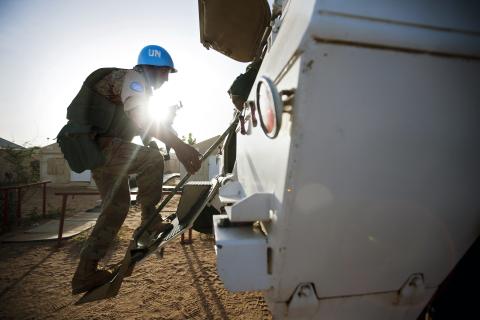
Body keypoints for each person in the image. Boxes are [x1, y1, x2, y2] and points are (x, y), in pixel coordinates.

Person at [60, 45, 202, 294]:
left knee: (116, 207)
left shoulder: (137, 89)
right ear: (151, 68)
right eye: (165, 73)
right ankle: (149, 222)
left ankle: (84, 273)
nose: (167, 79)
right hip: (98, 145)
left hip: (94, 149)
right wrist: (179, 146)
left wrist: (169, 132)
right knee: (152, 160)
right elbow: (141, 117)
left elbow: (144, 130)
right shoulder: (133, 78)